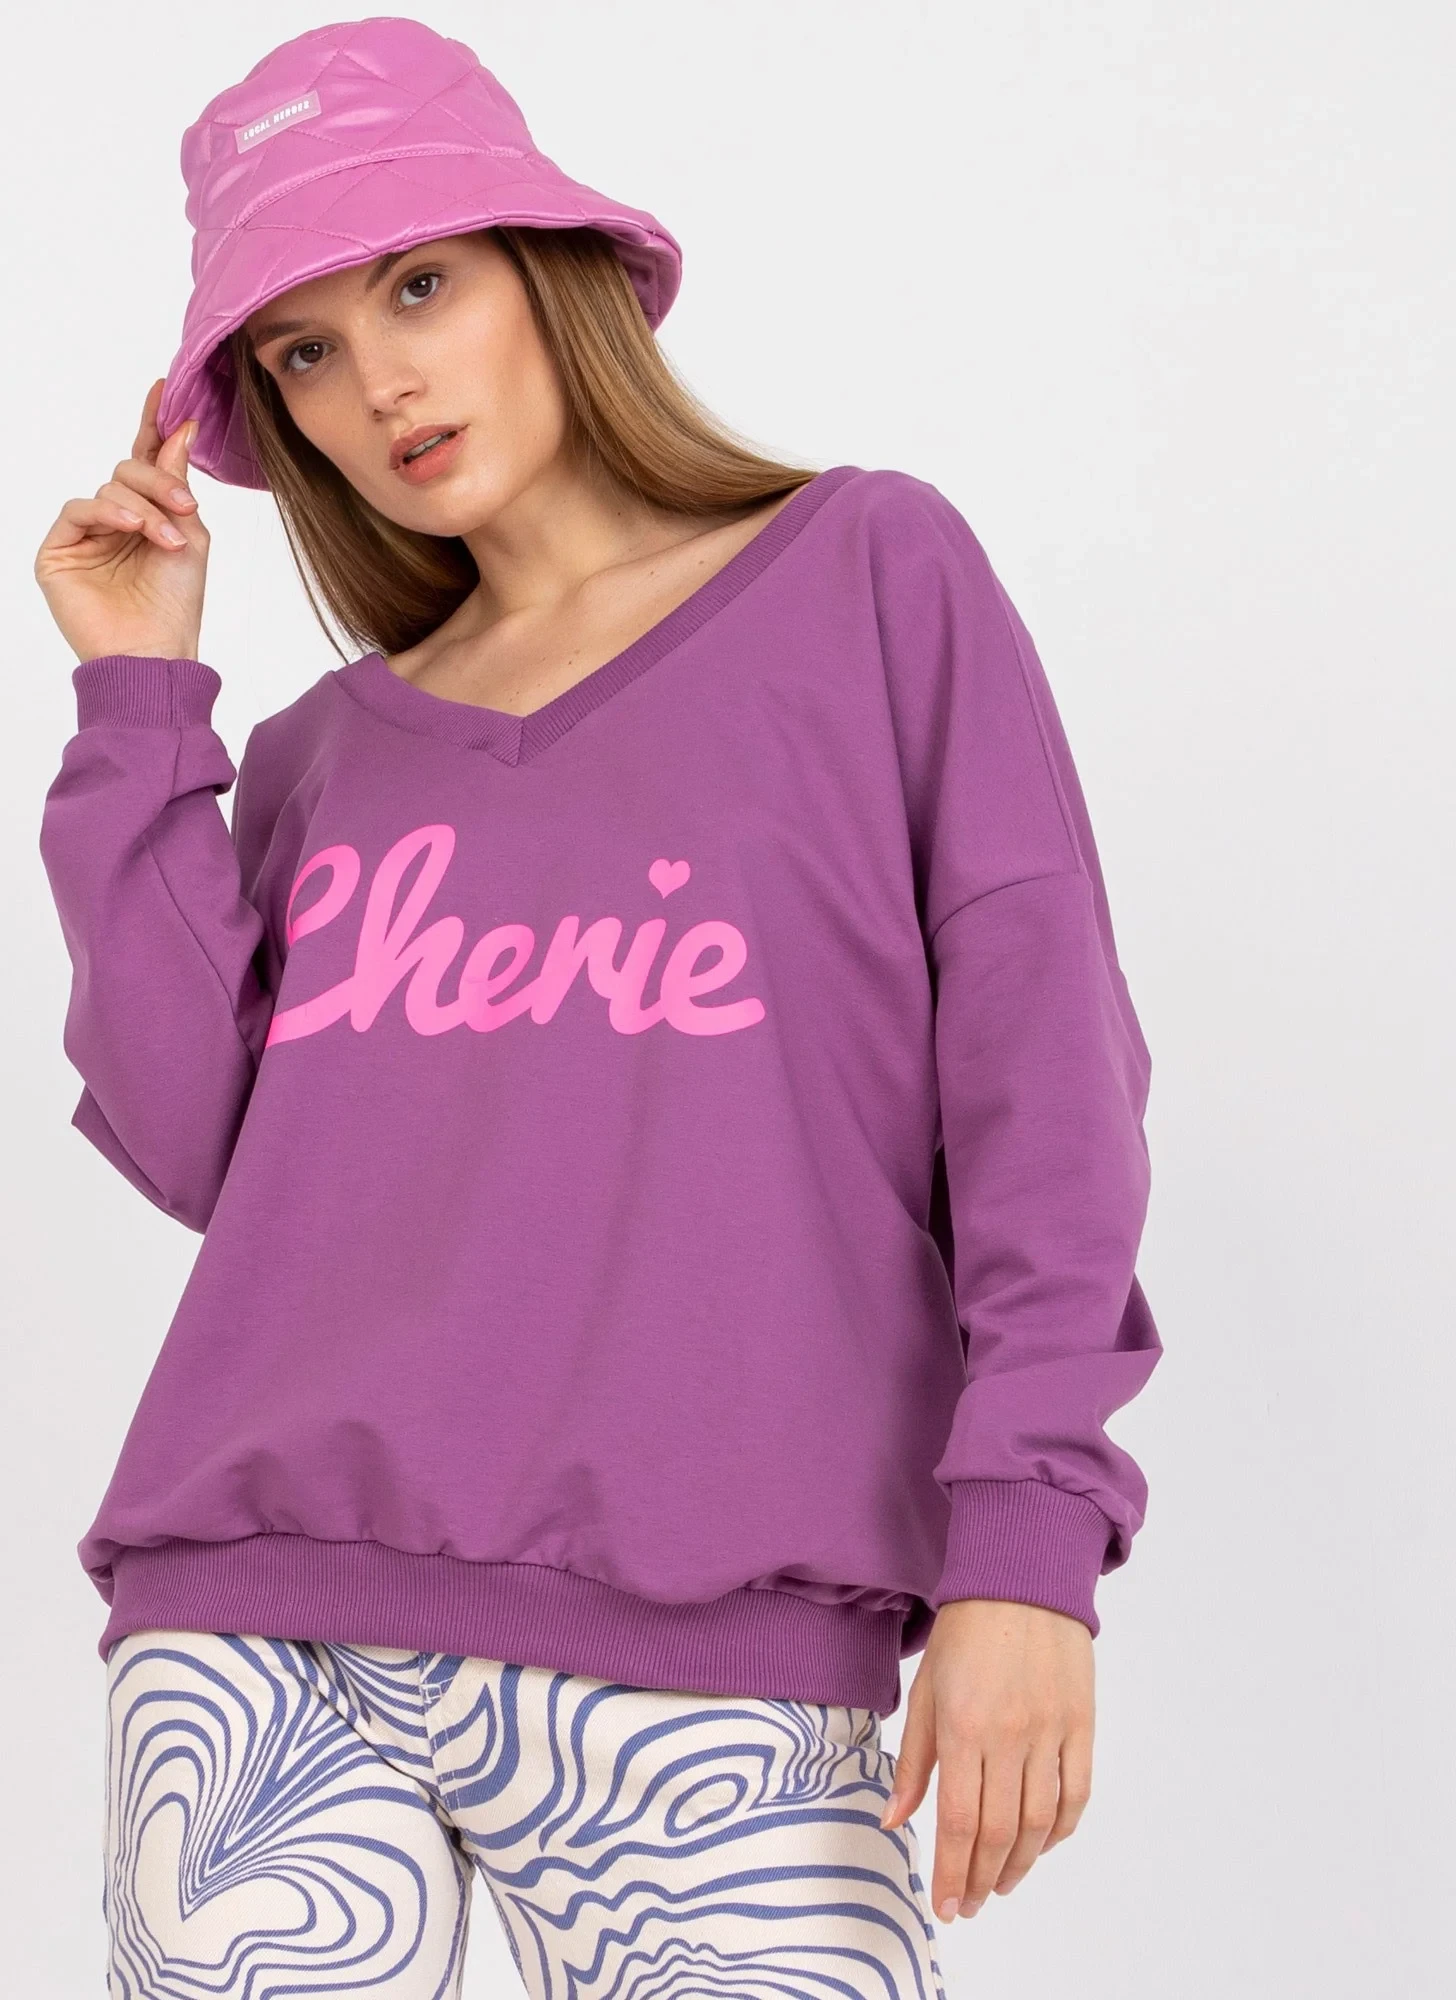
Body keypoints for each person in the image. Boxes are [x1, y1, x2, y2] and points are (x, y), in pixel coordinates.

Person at [34, 17, 1163, 1998]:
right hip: (260, 1627)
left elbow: (1043, 1080)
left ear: (545, 269)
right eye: (302, 352)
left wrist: (1028, 1547)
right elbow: (206, 1145)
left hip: (721, 1635)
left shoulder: (866, 575)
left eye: (418, 285)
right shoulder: (319, 757)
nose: (380, 383)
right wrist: (138, 699)